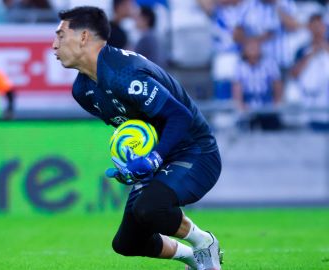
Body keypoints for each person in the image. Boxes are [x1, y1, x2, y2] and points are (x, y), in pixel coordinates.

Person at [53, 6, 222, 270]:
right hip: (160, 157)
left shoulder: (125, 73)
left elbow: (180, 117)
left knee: (150, 208)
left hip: (195, 152)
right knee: (126, 244)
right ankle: (190, 256)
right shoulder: (83, 90)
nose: (54, 45)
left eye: (60, 35)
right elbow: (132, 130)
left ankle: (204, 243)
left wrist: (153, 158)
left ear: (84, 37)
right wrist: (130, 162)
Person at [232, 38, 283, 130]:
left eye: (255, 46)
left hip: (267, 105)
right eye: (250, 47)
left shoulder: (270, 64)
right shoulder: (240, 66)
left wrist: (276, 103)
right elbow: (237, 87)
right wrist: (240, 105)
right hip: (249, 107)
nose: (253, 49)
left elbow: (277, 84)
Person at [290, 13, 329, 130]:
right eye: (314, 26)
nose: (317, 30)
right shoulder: (302, 50)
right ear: (309, 28)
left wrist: (325, 48)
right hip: (310, 104)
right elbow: (294, 74)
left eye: (320, 26)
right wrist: (312, 53)